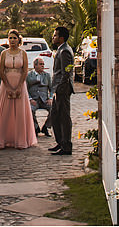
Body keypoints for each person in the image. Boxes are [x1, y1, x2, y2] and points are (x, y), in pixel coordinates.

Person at [0, 30, 37, 149]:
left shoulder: (23, 53)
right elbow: (1, 71)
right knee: (5, 113)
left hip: (20, 83)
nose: (12, 40)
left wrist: (19, 86)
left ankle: (20, 140)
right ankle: (2, 140)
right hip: (6, 84)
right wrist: (8, 86)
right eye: (10, 38)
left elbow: (25, 70)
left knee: (20, 113)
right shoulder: (4, 53)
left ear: (19, 40)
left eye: (14, 38)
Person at [49, 26, 74, 156]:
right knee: (55, 116)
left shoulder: (65, 51)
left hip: (63, 89)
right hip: (58, 88)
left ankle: (66, 146)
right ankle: (60, 142)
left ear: (61, 38)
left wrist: (59, 88)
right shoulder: (60, 49)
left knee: (63, 117)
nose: (53, 37)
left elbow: (66, 73)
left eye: (55, 35)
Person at [26, 57, 53, 136]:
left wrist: (50, 98)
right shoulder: (29, 75)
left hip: (45, 100)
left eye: (43, 64)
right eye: (40, 64)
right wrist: (30, 99)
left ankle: (46, 127)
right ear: (35, 65)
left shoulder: (47, 75)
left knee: (55, 109)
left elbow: (51, 89)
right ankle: (36, 127)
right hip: (34, 100)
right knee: (29, 110)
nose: (42, 66)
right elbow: (25, 89)